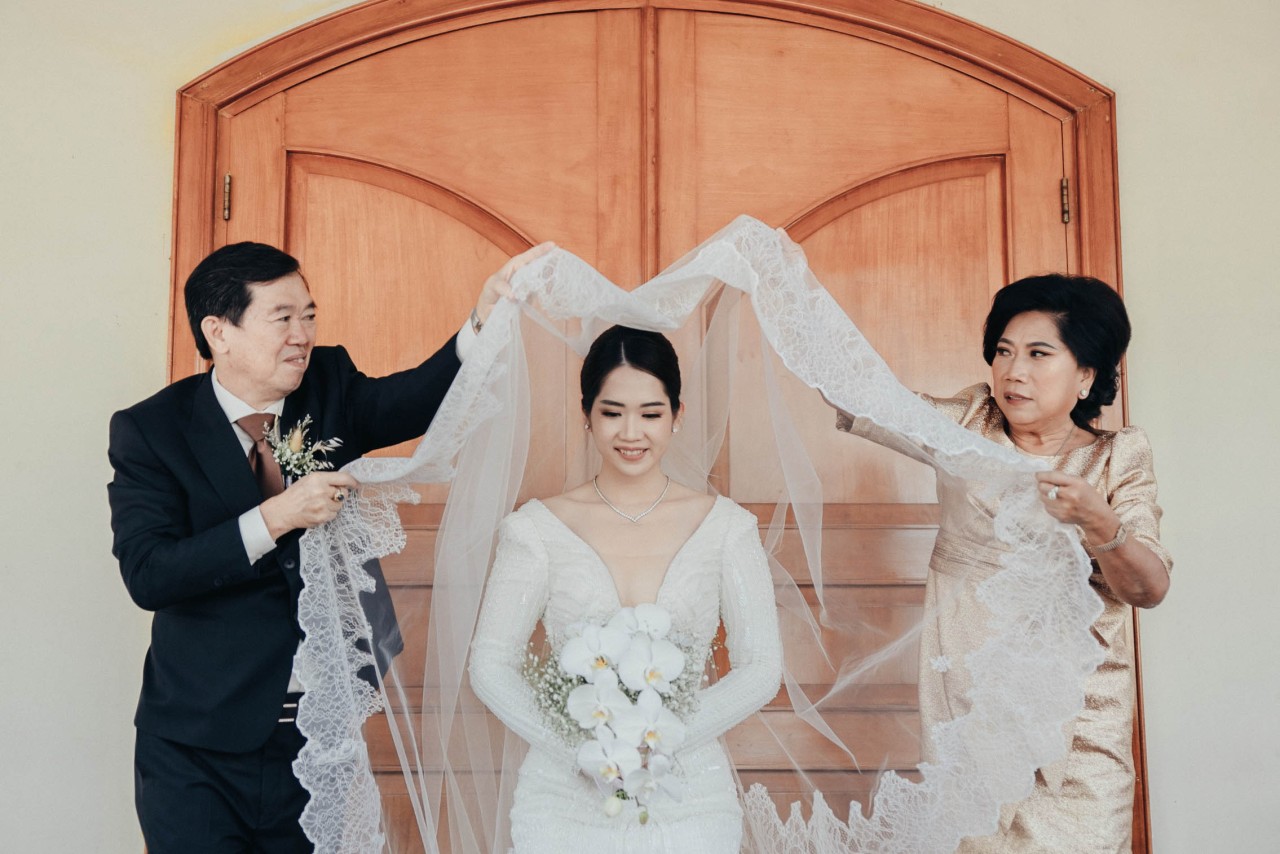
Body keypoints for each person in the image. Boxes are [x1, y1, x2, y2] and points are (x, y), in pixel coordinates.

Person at [107, 238, 550, 852]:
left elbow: (415, 399)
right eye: (282, 317)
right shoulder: (151, 429)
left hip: (317, 737)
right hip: (198, 743)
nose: (303, 335)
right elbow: (150, 573)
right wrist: (276, 516)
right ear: (219, 331)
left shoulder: (329, 384)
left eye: (309, 315)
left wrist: (482, 319)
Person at [835, 273, 1172, 852]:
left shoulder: (1118, 457)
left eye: (1038, 354)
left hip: (1080, 730)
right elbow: (856, 395)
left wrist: (1098, 521)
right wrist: (780, 286)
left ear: (1086, 375)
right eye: (1004, 351)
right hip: (971, 715)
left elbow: (1149, 590)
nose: (1013, 371)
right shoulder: (969, 424)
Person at [468, 325, 784, 853]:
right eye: (612, 413)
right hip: (563, 802)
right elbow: (490, 665)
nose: (631, 433)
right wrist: (583, 746)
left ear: (677, 415)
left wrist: (659, 739)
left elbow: (761, 667)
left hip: (690, 797)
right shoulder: (537, 529)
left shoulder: (727, 529)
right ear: (586, 414)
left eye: (651, 414)